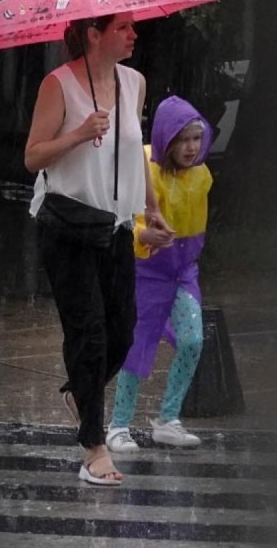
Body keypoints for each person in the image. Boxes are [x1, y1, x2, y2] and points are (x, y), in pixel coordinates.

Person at [24, 12, 172, 486]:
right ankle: (94, 447)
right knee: (88, 334)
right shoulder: (58, 84)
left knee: (123, 333)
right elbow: (33, 157)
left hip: (116, 227)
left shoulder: (135, 83)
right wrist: (78, 134)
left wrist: (150, 210)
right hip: (68, 225)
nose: (134, 34)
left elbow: (135, 151)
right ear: (94, 34)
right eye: (123, 27)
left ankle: (79, 393)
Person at [106, 96, 213, 453]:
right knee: (136, 348)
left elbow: (196, 225)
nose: (191, 147)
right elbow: (126, 217)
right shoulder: (145, 168)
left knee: (193, 339)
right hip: (146, 272)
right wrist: (143, 237)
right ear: (167, 137)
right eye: (183, 139)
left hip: (182, 271)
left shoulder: (201, 175)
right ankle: (119, 424)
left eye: (196, 138)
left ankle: (168, 418)